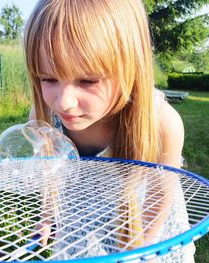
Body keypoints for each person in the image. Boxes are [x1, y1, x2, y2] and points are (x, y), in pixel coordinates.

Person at [23, 0, 194, 262]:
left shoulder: (162, 123)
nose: (63, 102)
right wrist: (47, 218)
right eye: (48, 78)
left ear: (131, 66)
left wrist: (138, 251)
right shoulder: (44, 118)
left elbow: (160, 196)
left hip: (148, 235)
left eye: (87, 80)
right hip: (79, 230)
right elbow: (51, 176)